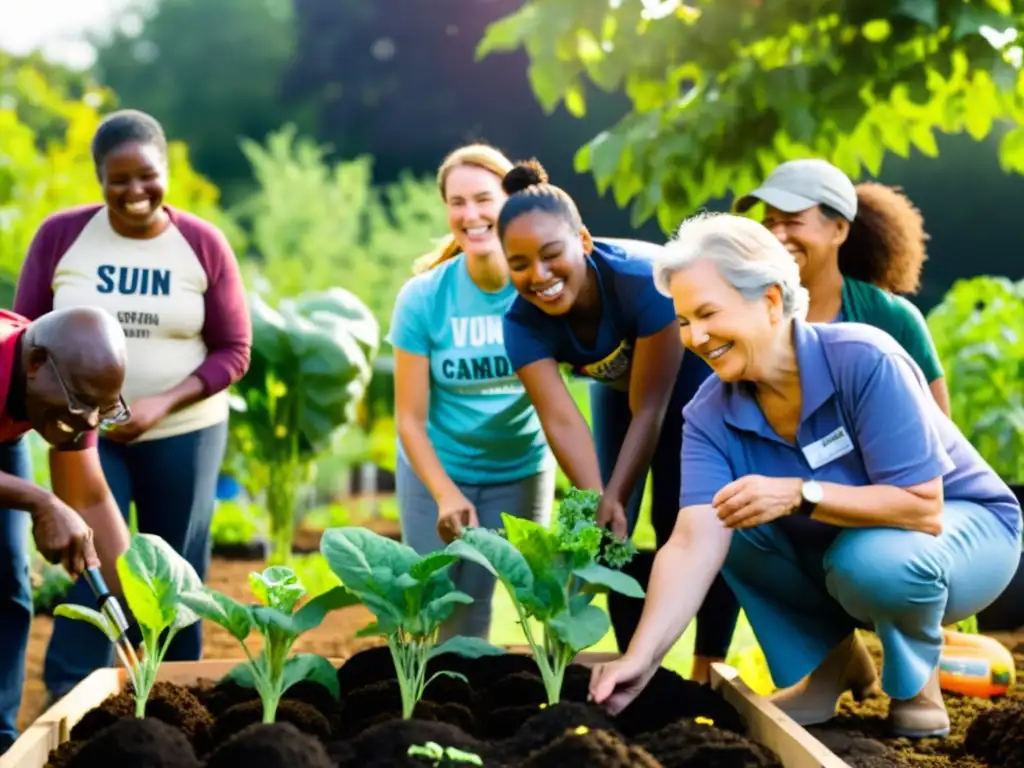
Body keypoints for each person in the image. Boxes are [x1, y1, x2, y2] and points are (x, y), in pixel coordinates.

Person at [588, 212, 1022, 738]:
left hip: (965, 531)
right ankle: (829, 665)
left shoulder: (863, 359)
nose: (696, 337)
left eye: (707, 313)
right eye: (682, 321)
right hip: (848, 544)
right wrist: (642, 658)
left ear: (770, 301)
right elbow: (690, 544)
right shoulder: (708, 412)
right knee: (734, 521)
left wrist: (800, 494)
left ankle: (916, 684)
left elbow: (921, 506)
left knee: (871, 561)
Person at [13, 108, 252, 702]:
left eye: (146, 175)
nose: (134, 191)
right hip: (80, 425)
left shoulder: (201, 245)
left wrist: (158, 405)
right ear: (99, 178)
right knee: (82, 548)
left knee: (176, 567)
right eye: (118, 178)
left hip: (183, 430)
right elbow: (26, 336)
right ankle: (74, 691)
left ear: (164, 170)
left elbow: (234, 350)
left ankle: (176, 690)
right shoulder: (63, 236)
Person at [497, 160, 739, 682]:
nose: (538, 275)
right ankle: (637, 666)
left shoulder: (642, 283)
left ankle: (707, 668)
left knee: (691, 517)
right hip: (621, 393)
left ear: (582, 241)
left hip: (695, 384)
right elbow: (561, 419)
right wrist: (600, 496)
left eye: (551, 254)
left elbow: (652, 405)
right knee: (610, 533)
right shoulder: (520, 325)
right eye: (519, 264)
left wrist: (616, 490)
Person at [390, 143, 556, 641]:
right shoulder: (423, 297)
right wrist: (445, 494)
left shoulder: (542, 285)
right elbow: (409, 420)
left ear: (512, 202)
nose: (471, 215)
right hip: (437, 470)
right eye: (457, 203)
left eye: (484, 199)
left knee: (533, 602)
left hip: (520, 469)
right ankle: (434, 715)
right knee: (438, 611)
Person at [0, 305, 131, 754]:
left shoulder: (78, 388)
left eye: (103, 410)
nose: (90, 422)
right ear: (35, 364)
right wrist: (41, 501)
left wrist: (133, 600)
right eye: (82, 405)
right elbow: (51, 501)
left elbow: (89, 499)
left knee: (8, 579)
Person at [734, 158, 951, 415]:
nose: (778, 235)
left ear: (838, 230)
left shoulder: (890, 319)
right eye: (769, 223)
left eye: (793, 221)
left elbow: (939, 435)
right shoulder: (741, 317)